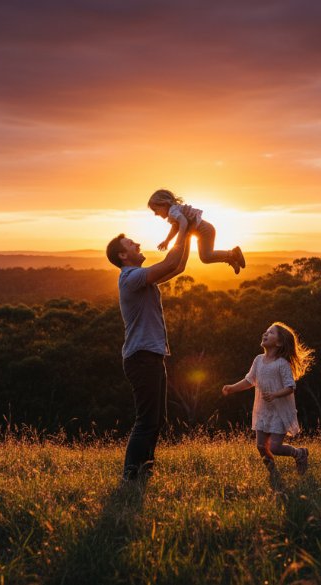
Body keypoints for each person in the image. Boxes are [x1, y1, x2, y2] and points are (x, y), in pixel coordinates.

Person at [105, 227, 192, 482]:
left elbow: (178, 267)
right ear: (123, 255)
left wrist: (188, 236)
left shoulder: (139, 277)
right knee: (146, 421)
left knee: (156, 420)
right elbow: (171, 261)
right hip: (141, 358)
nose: (138, 244)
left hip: (151, 356)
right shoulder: (131, 277)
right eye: (132, 243)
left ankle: (144, 473)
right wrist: (184, 227)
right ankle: (131, 477)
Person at [222, 322, 314, 475]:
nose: (265, 334)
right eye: (265, 331)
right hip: (263, 410)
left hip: (279, 411)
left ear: (278, 342)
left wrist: (274, 395)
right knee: (260, 446)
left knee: (275, 447)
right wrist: (232, 388)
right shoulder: (258, 360)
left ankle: (300, 454)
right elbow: (250, 380)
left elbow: (290, 387)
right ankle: (274, 474)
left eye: (270, 333)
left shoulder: (282, 364)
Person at [148, 189, 246, 274]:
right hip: (203, 232)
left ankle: (234, 253)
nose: (156, 214)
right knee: (205, 258)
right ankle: (230, 259)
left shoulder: (172, 211)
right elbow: (175, 228)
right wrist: (167, 241)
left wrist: (178, 241)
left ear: (164, 204)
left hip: (205, 230)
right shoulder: (173, 212)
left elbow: (184, 222)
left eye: (155, 210)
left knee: (207, 255)